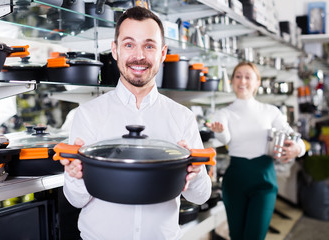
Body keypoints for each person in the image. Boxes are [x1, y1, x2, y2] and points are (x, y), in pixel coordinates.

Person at [59, 6, 212, 240]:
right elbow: (77, 199)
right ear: (115, 50)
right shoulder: (88, 114)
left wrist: (196, 170)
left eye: (149, 45)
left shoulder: (182, 117)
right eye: (129, 44)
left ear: (162, 53)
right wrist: (74, 175)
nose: (139, 56)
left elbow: (200, 197)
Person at [206, 61, 306, 240]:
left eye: (247, 77)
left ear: (257, 82)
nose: (242, 81)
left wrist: (298, 149)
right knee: (237, 236)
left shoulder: (270, 111)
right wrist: (220, 131)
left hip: (264, 181)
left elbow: (293, 137)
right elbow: (225, 139)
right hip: (235, 180)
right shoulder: (224, 113)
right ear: (231, 81)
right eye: (238, 76)